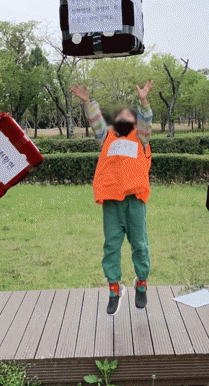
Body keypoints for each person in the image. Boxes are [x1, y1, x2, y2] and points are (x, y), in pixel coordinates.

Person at [70, 80, 154, 315]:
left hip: (134, 201)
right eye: (120, 117)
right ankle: (114, 288)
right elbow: (95, 121)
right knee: (111, 246)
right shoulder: (106, 138)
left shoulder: (141, 137)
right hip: (111, 202)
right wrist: (87, 102)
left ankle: (141, 282)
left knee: (140, 245)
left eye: (129, 117)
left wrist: (143, 101)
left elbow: (147, 121)